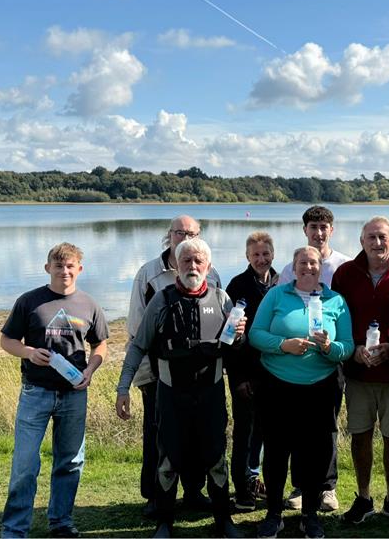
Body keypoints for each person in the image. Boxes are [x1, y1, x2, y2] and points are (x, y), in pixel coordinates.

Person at [116, 238, 244, 538]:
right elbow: (138, 346)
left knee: (215, 457)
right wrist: (123, 388)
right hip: (171, 395)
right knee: (169, 459)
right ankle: (165, 521)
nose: (193, 266)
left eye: (199, 261)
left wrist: (239, 335)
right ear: (177, 264)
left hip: (210, 394)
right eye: (186, 260)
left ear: (208, 266)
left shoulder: (222, 299)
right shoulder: (161, 301)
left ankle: (223, 520)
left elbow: (234, 348)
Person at [0, 243, 108, 538]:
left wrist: (90, 369)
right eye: (59, 266)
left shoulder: (90, 304)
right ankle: (15, 528)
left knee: (70, 461)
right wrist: (28, 353)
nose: (65, 271)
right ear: (48, 268)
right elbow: (7, 340)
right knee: (25, 464)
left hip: (74, 393)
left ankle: (60, 522)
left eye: (70, 266)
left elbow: (100, 344)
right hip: (36, 392)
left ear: (79, 269)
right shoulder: (29, 301)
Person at [250, 246, 354, 539]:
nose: (308, 267)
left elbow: (347, 346)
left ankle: (309, 514)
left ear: (321, 268)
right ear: (293, 268)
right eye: (302, 263)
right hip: (277, 386)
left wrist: (328, 347)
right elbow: (255, 334)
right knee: (276, 451)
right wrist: (284, 345)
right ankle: (273, 514)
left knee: (315, 453)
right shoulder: (276, 295)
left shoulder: (335, 301)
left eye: (313, 263)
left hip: (320, 387)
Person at [125, 215, 222, 517]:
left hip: (203, 380)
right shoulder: (149, 275)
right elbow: (136, 332)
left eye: (191, 232)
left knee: (197, 439)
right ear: (169, 236)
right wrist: (141, 376)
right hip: (159, 373)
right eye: (180, 232)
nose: (185, 236)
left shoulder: (214, 278)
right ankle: (156, 497)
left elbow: (220, 327)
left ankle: (194, 492)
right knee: (159, 440)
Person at [331, 217, 389, 527]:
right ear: (361, 241)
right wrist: (354, 349)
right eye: (371, 237)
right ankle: (364, 497)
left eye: (383, 237)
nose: (377, 243)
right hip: (358, 371)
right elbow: (336, 318)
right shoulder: (345, 273)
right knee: (360, 436)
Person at [278, 205, 350, 512]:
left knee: (326, 427)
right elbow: (280, 305)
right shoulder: (288, 269)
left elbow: (347, 310)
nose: (318, 232)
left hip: (331, 360)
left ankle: (327, 487)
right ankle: (299, 487)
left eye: (324, 227)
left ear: (331, 230)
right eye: (313, 227)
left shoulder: (344, 266)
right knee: (296, 428)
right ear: (304, 230)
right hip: (294, 364)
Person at [224, 231, 279, 511]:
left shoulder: (282, 283)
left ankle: (262, 481)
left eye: (265, 253)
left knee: (270, 432)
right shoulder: (236, 286)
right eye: (255, 254)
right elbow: (229, 340)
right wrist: (239, 378)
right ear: (247, 257)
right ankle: (243, 488)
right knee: (245, 434)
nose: (261, 259)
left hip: (275, 373)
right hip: (245, 372)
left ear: (273, 254)